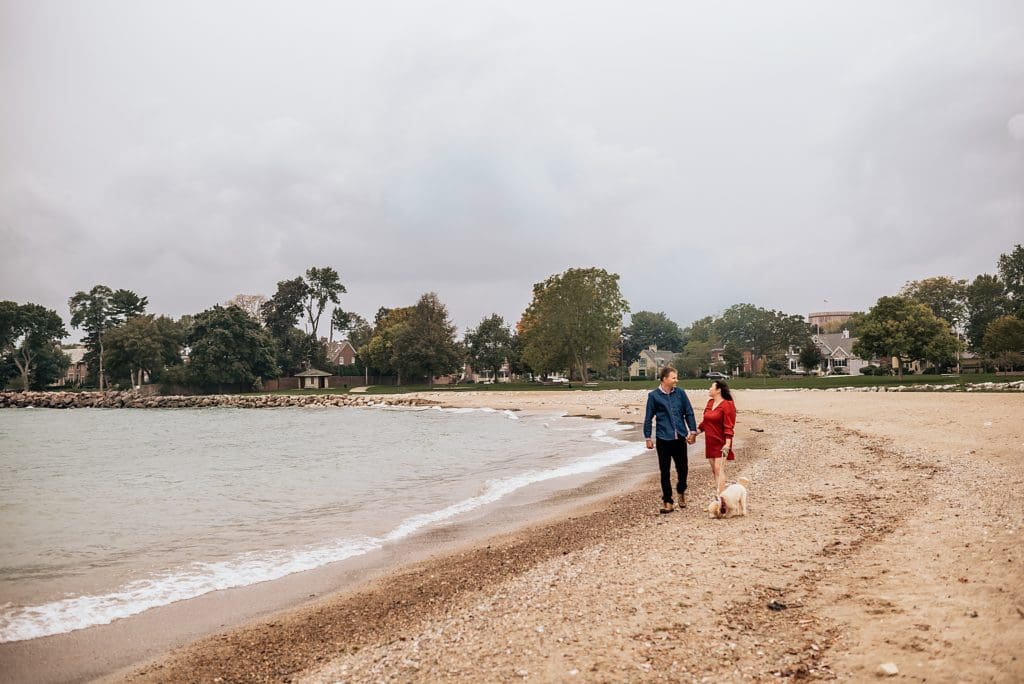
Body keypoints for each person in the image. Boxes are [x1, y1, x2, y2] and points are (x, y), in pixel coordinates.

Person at [643, 366, 697, 514]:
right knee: (664, 471)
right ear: (665, 379)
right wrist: (648, 437)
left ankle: (681, 491)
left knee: (683, 469)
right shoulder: (653, 396)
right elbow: (648, 418)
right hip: (663, 439)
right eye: (673, 377)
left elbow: (689, 412)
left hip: (680, 437)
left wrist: (692, 431)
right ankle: (668, 501)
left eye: (676, 377)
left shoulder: (680, 393)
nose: (676, 380)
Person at [697, 380, 736, 494]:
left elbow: (729, 425)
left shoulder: (727, 405)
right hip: (710, 442)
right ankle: (721, 494)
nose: (709, 388)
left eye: (711, 387)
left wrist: (727, 444)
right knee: (715, 471)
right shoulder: (710, 403)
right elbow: (705, 422)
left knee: (719, 469)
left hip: (722, 442)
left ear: (718, 390)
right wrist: (695, 433)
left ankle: (721, 500)